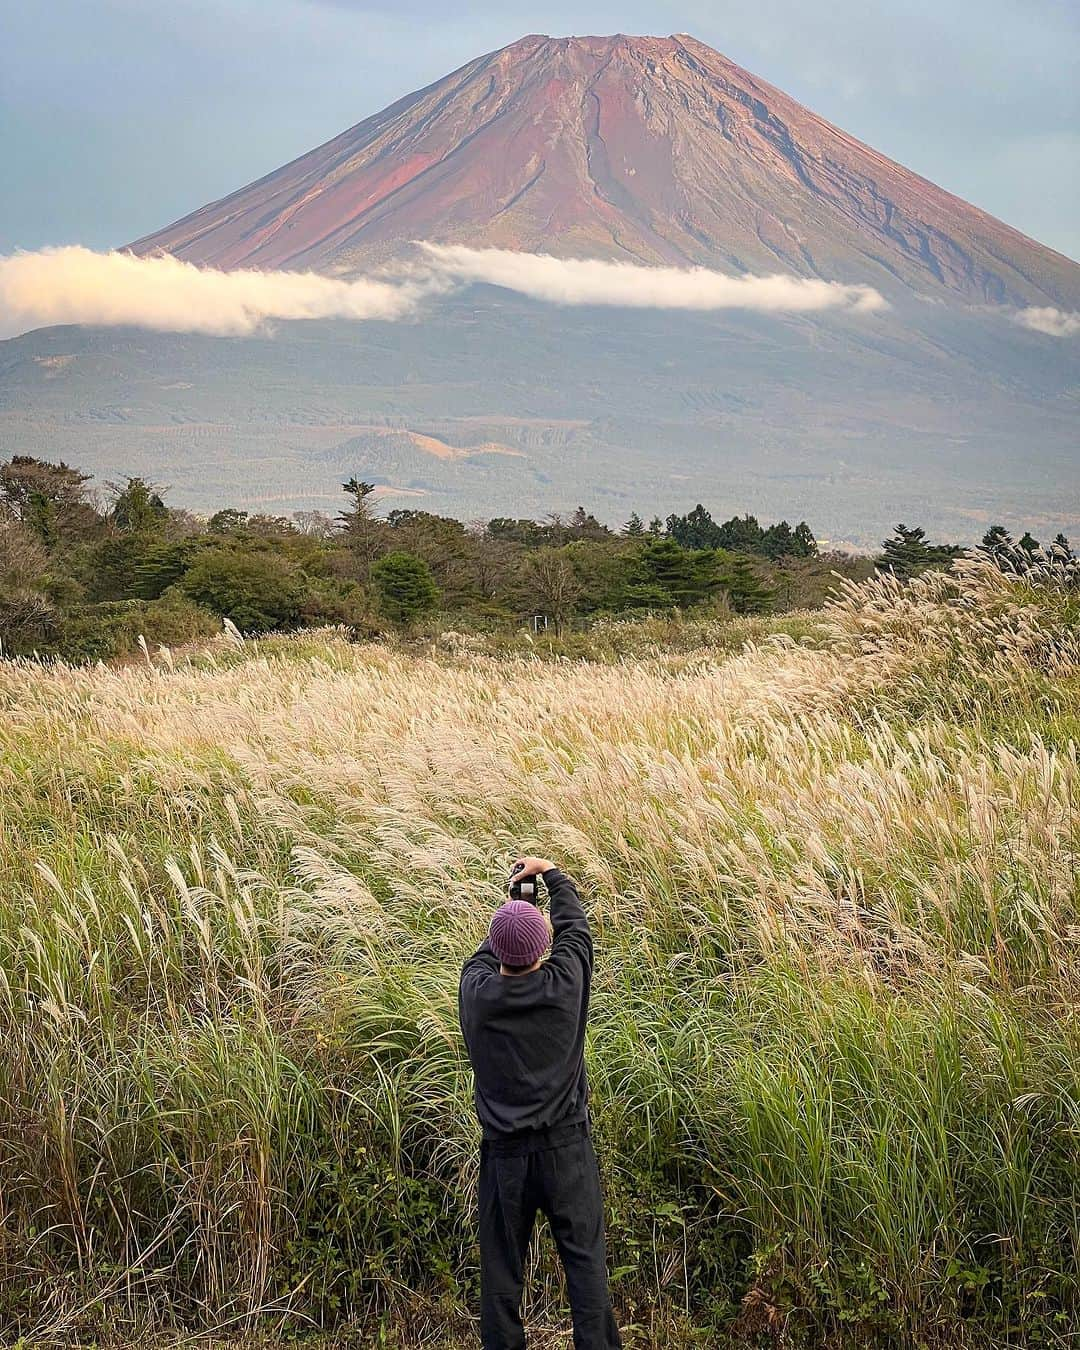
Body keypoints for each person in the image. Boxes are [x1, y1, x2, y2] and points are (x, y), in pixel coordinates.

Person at [458, 856, 622, 1350]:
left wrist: (514, 910)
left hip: (505, 1155)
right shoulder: (565, 986)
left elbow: (487, 956)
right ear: (543, 948)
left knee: (502, 1277)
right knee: (585, 1266)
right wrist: (551, 874)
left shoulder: (478, 995)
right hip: (566, 1149)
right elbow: (576, 932)